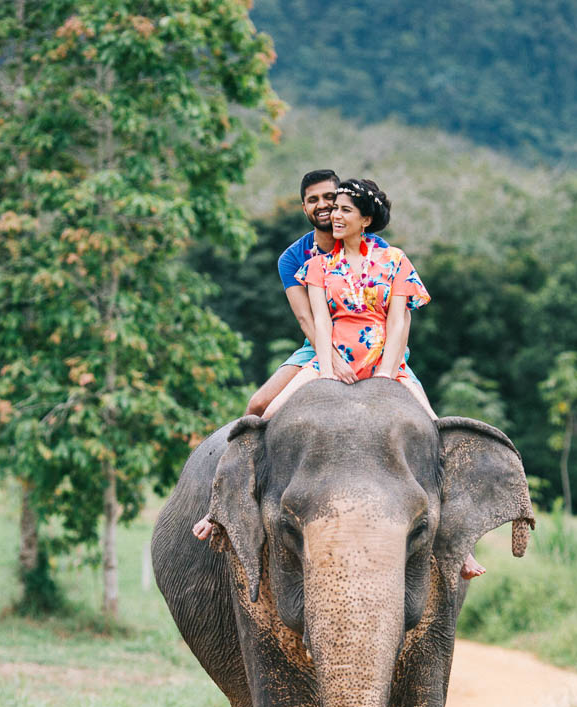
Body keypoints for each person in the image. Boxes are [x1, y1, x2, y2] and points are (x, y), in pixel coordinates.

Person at [194, 177, 485, 581]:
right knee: (263, 415)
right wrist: (328, 372)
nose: (331, 211)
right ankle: (223, 512)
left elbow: (400, 320)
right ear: (305, 206)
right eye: (320, 203)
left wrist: (387, 372)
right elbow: (315, 322)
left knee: (437, 433)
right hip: (325, 354)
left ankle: (458, 541)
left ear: (364, 218)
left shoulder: (394, 259)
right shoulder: (309, 262)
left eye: (339, 205)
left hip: (387, 360)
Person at [244, 168, 428, 417]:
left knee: (429, 423)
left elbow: (401, 316)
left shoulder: (384, 253)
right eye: (312, 200)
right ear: (304, 208)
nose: (323, 206)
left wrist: (388, 366)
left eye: (330, 199)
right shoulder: (296, 259)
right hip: (320, 343)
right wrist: (332, 362)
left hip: (379, 343)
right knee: (258, 406)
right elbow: (307, 319)